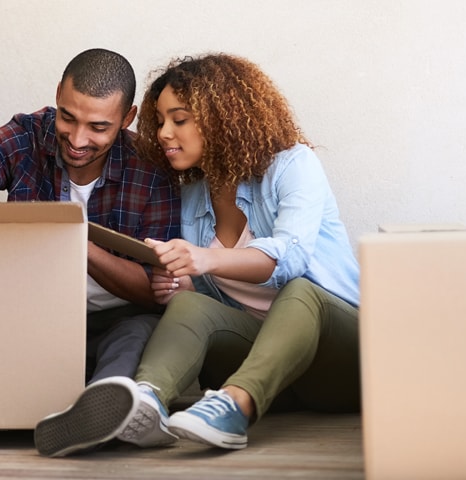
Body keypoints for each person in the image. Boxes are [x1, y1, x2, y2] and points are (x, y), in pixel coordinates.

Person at [34, 53, 360, 457]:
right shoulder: (191, 195)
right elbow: (206, 294)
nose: (164, 132)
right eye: (160, 121)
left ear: (222, 116)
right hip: (270, 372)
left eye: (179, 119)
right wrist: (179, 282)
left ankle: (234, 408)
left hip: (340, 360)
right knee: (188, 304)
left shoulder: (293, 165)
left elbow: (287, 258)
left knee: (300, 292)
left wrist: (203, 259)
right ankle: (144, 403)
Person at [0, 49, 180, 392]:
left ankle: (102, 403)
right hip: (30, 314)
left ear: (127, 118)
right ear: (57, 95)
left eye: (98, 127)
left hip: (119, 319)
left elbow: (153, 289)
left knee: (143, 334)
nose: (78, 139)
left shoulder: (151, 168)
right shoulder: (27, 135)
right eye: (68, 118)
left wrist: (75, 242)